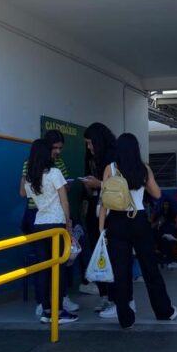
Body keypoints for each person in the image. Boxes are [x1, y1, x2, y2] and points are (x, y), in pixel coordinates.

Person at [99, 133, 177, 329]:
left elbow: (104, 201)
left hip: (116, 221)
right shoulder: (143, 168)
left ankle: (125, 318)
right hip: (138, 220)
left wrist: (101, 229)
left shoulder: (110, 169)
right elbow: (157, 194)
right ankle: (164, 311)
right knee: (149, 267)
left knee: (121, 271)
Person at [20, 130, 78, 313]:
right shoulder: (54, 172)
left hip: (39, 222)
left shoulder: (31, 177)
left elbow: (25, 193)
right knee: (58, 266)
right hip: (56, 223)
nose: (57, 152)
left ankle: (45, 309)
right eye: (54, 149)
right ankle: (58, 309)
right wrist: (68, 223)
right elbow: (64, 201)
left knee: (43, 266)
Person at [80, 122, 116, 308]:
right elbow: (91, 191)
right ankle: (104, 296)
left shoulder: (113, 157)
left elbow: (119, 187)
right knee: (97, 250)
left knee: (111, 251)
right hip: (95, 207)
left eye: (90, 143)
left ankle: (114, 297)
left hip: (111, 209)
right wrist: (88, 186)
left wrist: (99, 184)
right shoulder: (90, 158)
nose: (89, 147)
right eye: (86, 143)